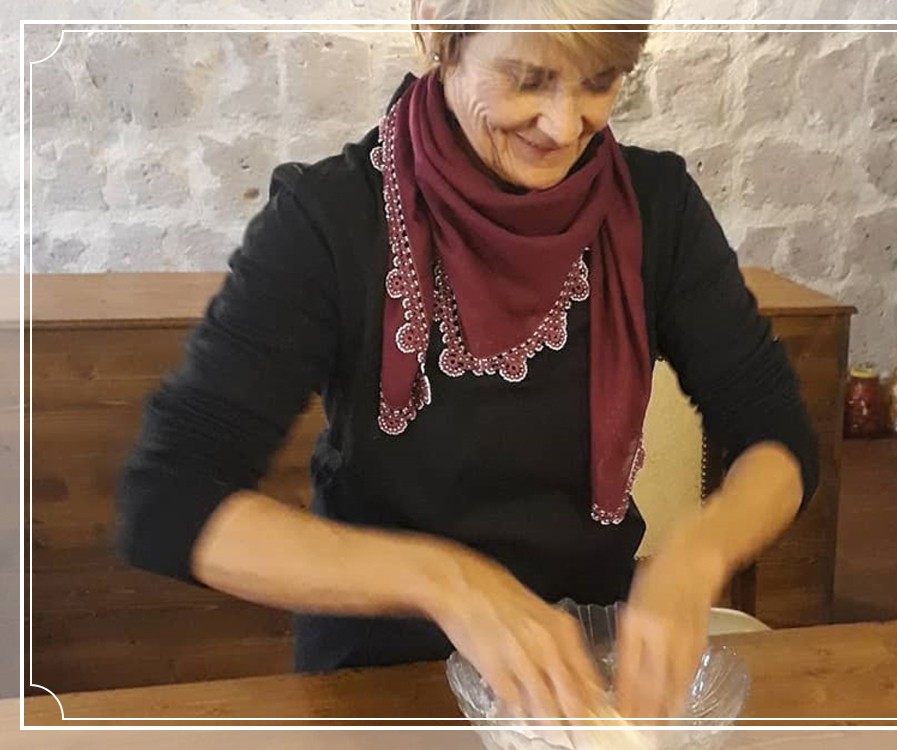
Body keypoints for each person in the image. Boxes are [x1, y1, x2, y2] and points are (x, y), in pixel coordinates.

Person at [115, 0, 820, 723]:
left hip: (586, 676)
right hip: (380, 685)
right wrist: (448, 582)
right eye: (527, 80)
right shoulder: (329, 222)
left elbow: (777, 434)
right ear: (437, 30)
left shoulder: (655, 209)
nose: (564, 125)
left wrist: (696, 557)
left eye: (601, 81)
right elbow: (170, 500)